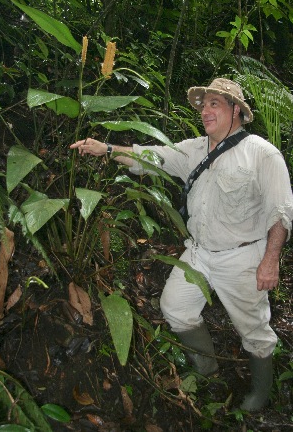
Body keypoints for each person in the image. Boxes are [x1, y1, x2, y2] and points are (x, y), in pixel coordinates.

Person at [70, 78, 293, 411]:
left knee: (254, 330)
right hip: (199, 253)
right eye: (203, 105)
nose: (205, 110)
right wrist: (108, 149)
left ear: (236, 110)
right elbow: (152, 157)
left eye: (214, 103)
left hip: (243, 258)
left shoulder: (262, 154)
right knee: (175, 307)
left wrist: (270, 260)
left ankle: (261, 393)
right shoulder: (194, 149)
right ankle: (209, 371)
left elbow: (281, 212)